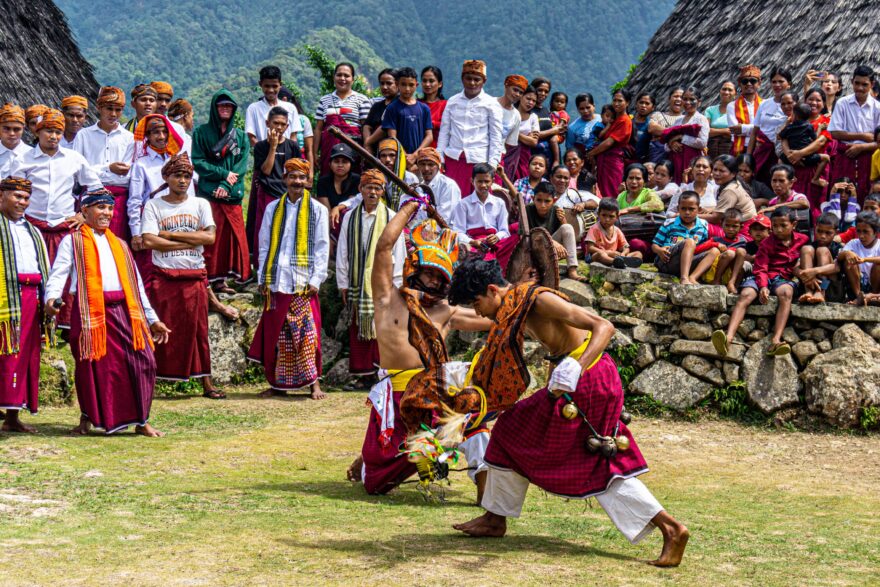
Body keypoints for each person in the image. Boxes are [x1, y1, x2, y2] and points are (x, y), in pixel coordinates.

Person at [447, 258, 689, 567]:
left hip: (590, 379)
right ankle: (495, 517)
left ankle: (671, 528)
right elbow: (556, 345)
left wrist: (576, 365)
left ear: (493, 290)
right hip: (573, 381)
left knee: (599, 463)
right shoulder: (513, 306)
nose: (477, 310)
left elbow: (604, 326)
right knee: (511, 430)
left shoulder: (537, 299)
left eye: (476, 302)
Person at [350, 201, 491, 496]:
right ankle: (368, 461)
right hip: (398, 401)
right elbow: (384, 248)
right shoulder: (387, 298)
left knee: (475, 423)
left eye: (441, 278)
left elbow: (491, 316)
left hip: (436, 397)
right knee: (375, 485)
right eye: (429, 273)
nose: (433, 281)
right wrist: (409, 209)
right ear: (416, 269)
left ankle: (486, 498)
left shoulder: (447, 311)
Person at [44, 188, 170, 436]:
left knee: (143, 361)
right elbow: (59, 274)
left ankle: (141, 420)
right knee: (90, 367)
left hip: (125, 311)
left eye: (110, 208)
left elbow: (135, 286)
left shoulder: (121, 244)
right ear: (85, 211)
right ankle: (87, 418)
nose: (106, 213)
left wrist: (152, 319)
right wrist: (51, 298)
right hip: (90, 313)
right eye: (101, 207)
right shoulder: (73, 240)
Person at [140, 153, 227, 399]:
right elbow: (148, 240)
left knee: (199, 331)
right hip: (164, 276)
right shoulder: (154, 205)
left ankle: (206, 383)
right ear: (166, 177)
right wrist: (190, 239)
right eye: (177, 175)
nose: (182, 180)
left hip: (193, 276)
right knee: (159, 328)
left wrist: (168, 236)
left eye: (187, 176)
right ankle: (151, 380)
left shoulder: (201, 204)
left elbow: (209, 238)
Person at [10, 109, 101, 329]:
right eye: (49, 131)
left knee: (66, 272)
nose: (53, 136)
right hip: (32, 226)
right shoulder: (23, 160)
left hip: (64, 225)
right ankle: (34, 319)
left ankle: (64, 323)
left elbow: (97, 188)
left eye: (58, 132)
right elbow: (13, 192)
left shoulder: (74, 159)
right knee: (33, 272)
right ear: (38, 132)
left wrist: (82, 214)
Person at [248, 158, 327, 400]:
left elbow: (322, 248)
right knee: (278, 337)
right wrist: (263, 276)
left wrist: (316, 279)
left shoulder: (318, 210)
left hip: (303, 283)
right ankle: (277, 385)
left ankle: (314, 384)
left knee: (307, 335)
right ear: (285, 180)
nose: (297, 182)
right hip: (276, 282)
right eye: (292, 177)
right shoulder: (273, 208)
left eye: (301, 178)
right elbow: (263, 244)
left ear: (308, 181)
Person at [336, 170, 405, 382]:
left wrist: (398, 284)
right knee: (360, 327)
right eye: (368, 187)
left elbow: (399, 252)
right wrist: (343, 282)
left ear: (383, 191)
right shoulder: (350, 216)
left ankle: (382, 373)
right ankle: (363, 374)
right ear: (361, 190)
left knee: (383, 328)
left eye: (377, 188)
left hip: (384, 283)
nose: (372, 192)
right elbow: (343, 251)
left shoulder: (392, 218)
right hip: (358, 283)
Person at [714, 207, 808, 356]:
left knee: (786, 292)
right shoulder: (766, 244)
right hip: (762, 276)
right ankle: (728, 337)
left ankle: (776, 341)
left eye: (783, 225)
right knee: (746, 294)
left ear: (794, 225)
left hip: (783, 278)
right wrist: (763, 286)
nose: (778, 229)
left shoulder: (803, 240)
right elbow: (761, 267)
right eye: (775, 226)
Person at [0, 177, 49, 433]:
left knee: (22, 355)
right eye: (17, 196)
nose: (22, 202)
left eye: (26, 198)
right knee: (4, 355)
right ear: (1, 196)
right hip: (4, 298)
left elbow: (44, 267)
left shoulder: (33, 230)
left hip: (31, 298)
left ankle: (12, 417)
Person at [192, 90, 251, 292]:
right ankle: (205, 278)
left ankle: (222, 280)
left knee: (230, 238)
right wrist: (222, 175)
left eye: (229, 106)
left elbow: (241, 166)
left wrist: (226, 185)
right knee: (210, 237)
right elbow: (198, 162)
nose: (225, 109)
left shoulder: (241, 137)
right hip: (209, 193)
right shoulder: (201, 133)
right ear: (214, 108)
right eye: (221, 105)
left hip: (231, 194)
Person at [128, 114, 187, 281]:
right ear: (147, 136)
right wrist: (136, 233)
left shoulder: (176, 160)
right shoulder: (141, 164)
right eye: (155, 133)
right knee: (151, 272)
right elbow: (135, 200)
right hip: (151, 223)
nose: (161, 137)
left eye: (164, 132)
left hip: (177, 220)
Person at [73, 86, 134, 241]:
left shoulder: (129, 138)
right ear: (99, 107)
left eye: (118, 110)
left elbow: (125, 177)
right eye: (109, 108)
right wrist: (108, 168)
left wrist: (93, 171)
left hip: (119, 201)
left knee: (116, 242)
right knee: (89, 242)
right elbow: (79, 173)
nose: (113, 114)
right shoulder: (83, 135)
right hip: (90, 197)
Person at [247, 106, 302, 269]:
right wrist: (273, 147)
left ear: (287, 126)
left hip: (288, 194)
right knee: (265, 233)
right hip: (267, 193)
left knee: (288, 232)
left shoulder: (292, 147)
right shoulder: (261, 146)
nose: (279, 127)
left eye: (283, 124)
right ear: (267, 123)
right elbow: (266, 170)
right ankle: (263, 268)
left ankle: (285, 267)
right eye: (275, 123)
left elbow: (297, 171)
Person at [436, 60, 504, 194]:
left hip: (480, 162)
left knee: (478, 204)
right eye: (468, 78)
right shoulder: (453, 101)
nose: (472, 83)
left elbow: (496, 137)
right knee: (453, 200)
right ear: (462, 79)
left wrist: (492, 165)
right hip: (454, 159)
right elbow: (444, 132)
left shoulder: (491, 104)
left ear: (484, 81)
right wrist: (440, 157)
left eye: (476, 79)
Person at [511, 179, 583, 280]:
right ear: (533, 198)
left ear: (554, 200)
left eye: (547, 201)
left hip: (550, 248)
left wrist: (563, 220)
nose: (543, 205)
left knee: (568, 227)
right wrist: (552, 242)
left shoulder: (556, 210)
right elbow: (525, 237)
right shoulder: (527, 210)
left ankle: (572, 270)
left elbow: (566, 233)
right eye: (539, 200)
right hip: (533, 247)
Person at [828, 65, 880, 203]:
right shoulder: (842, 103)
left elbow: (878, 141)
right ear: (852, 82)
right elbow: (834, 133)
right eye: (857, 83)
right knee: (841, 192)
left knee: (866, 193)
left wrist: (861, 147)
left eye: (865, 84)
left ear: (872, 84)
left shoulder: (878, 107)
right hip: (845, 154)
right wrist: (862, 136)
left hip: (869, 154)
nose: (860, 88)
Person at [314, 63, 372, 176]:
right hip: (329, 149)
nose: (342, 79)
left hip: (353, 147)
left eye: (346, 75)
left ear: (353, 79)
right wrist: (315, 153)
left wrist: (366, 149)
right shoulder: (325, 100)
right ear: (334, 77)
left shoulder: (362, 99)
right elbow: (318, 128)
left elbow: (366, 126)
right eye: (339, 75)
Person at [653, 191, 719, 284]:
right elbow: (654, 245)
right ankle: (684, 278)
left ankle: (693, 277)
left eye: (691, 209)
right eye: (683, 209)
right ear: (678, 209)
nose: (687, 212)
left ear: (699, 209)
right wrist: (659, 250)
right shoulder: (669, 223)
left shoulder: (703, 226)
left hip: (688, 263)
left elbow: (702, 247)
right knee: (690, 242)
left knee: (714, 251)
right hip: (668, 261)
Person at [451, 163, 513, 256]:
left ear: (492, 181)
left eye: (486, 181)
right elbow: (458, 232)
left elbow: (504, 230)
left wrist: (497, 237)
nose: (483, 185)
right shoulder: (463, 204)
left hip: (495, 243)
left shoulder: (499, 203)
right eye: (479, 181)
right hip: (472, 243)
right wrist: (472, 241)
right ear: (472, 181)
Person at [746, 67, 793, 179]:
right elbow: (755, 132)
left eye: (781, 81)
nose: (777, 85)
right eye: (774, 82)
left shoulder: (793, 106)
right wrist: (748, 157)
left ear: (789, 84)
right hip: (762, 151)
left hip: (782, 154)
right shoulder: (764, 104)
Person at [586, 89, 632, 201]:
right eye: (614, 100)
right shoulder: (615, 119)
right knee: (603, 189)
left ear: (627, 103)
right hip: (605, 160)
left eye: (620, 101)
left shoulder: (625, 121)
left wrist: (591, 153)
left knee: (612, 190)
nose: (616, 103)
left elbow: (609, 142)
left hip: (612, 160)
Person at [244, 65, 302, 148]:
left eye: (274, 86)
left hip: (286, 157)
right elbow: (251, 138)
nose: (271, 90)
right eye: (267, 86)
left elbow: (293, 136)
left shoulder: (291, 108)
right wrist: (264, 152)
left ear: (280, 84)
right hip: (264, 158)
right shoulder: (253, 109)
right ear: (260, 84)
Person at [382, 67, 433, 157]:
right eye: (403, 84)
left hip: (419, 158)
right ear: (397, 84)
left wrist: (415, 155)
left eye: (411, 85)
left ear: (416, 85)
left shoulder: (424, 108)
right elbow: (392, 137)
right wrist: (404, 156)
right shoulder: (392, 108)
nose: (407, 89)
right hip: (399, 157)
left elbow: (429, 136)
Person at [779, 103, 830, 188]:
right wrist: (820, 128)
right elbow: (815, 139)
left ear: (794, 115)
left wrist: (786, 124)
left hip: (791, 156)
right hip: (807, 156)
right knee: (826, 158)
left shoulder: (789, 128)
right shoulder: (809, 126)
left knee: (780, 160)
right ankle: (815, 179)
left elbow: (780, 136)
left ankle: (789, 176)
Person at [798, 212, 844, 304]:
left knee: (822, 250)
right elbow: (795, 267)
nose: (823, 236)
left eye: (828, 233)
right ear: (815, 228)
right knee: (806, 249)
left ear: (836, 232)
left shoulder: (838, 248)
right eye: (819, 231)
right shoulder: (810, 246)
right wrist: (809, 277)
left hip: (831, 290)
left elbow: (837, 268)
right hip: (810, 284)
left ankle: (820, 292)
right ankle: (809, 292)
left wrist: (814, 271)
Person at [406, 147, 461, 225]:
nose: (426, 168)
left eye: (431, 165)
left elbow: (445, 218)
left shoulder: (448, 185)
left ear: (438, 166)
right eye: (422, 164)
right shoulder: (418, 187)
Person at [665, 87, 709, 183]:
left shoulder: (701, 119)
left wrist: (681, 137)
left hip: (691, 161)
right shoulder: (678, 120)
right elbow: (666, 143)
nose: (687, 102)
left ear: (699, 102)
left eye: (692, 99)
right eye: (685, 99)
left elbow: (702, 143)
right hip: (675, 160)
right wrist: (671, 144)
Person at [586, 198, 643, 268]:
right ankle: (614, 262)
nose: (607, 219)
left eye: (611, 216)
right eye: (604, 215)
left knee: (638, 253)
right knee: (600, 255)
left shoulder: (617, 230)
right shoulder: (594, 228)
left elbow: (626, 247)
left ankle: (622, 262)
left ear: (617, 217)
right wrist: (608, 252)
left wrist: (623, 254)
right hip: (596, 256)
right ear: (598, 214)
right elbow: (590, 248)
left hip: (615, 256)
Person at [702, 155, 757, 227]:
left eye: (721, 171)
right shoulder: (734, 183)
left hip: (744, 229)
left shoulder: (730, 190)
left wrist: (692, 216)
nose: (716, 174)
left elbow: (716, 218)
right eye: (715, 170)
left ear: (733, 174)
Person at [839, 210, 880, 305]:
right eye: (858, 231)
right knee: (849, 260)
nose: (861, 236)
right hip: (856, 287)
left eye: (866, 232)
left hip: (875, 288)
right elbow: (839, 258)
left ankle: (873, 296)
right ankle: (859, 297)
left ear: (876, 232)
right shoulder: (853, 243)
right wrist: (846, 253)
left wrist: (865, 259)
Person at [724, 214, 772, 293]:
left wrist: (755, 258)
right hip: (751, 271)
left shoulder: (771, 245)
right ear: (749, 232)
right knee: (744, 264)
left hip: (767, 272)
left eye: (762, 229)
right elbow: (742, 257)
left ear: (769, 232)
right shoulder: (748, 245)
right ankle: (736, 286)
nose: (758, 232)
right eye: (755, 229)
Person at [503, 84, 539, 181]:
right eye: (528, 99)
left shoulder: (533, 117)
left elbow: (534, 142)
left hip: (523, 157)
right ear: (521, 96)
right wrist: (526, 137)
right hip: (506, 151)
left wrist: (514, 132)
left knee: (521, 179)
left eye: (534, 101)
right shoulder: (510, 113)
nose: (531, 103)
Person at [728, 65, 763, 157]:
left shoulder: (765, 104)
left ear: (759, 83)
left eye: (753, 81)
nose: (748, 84)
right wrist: (756, 128)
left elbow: (766, 129)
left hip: (760, 147)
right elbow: (734, 129)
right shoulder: (731, 106)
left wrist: (742, 128)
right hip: (739, 148)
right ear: (740, 83)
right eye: (745, 81)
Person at [497, 75, 528, 177]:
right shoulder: (490, 104)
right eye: (515, 90)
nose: (517, 94)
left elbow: (509, 143)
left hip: (498, 157)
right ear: (506, 85)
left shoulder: (516, 116)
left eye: (520, 92)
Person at [376, 138, 418, 210]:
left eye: (392, 155)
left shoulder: (410, 178)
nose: (387, 160)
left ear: (399, 157)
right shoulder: (375, 177)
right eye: (383, 156)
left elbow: (418, 203)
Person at [316, 143, 360, 210]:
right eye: (336, 161)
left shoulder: (357, 180)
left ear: (351, 164)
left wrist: (337, 209)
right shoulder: (323, 182)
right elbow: (325, 210)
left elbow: (351, 205)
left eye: (344, 162)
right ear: (330, 164)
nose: (340, 165)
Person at [363, 68, 398, 150]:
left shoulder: (400, 105)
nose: (385, 87)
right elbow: (367, 126)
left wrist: (368, 142)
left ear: (397, 84)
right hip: (376, 151)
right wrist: (367, 147)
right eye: (382, 83)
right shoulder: (376, 106)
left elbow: (385, 127)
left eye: (389, 83)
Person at [647, 87, 684, 163]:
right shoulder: (658, 115)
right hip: (657, 156)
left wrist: (663, 133)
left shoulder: (686, 119)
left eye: (682, 97)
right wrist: (673, 139)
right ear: (669, 99)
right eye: (675, 96)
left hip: (677, 156)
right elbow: (652, 128)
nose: (679, 99)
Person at [705, 81, 735, 159]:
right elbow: (705, 131)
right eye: (724, 89)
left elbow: (735, 133)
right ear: (720, 92)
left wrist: (714, 131)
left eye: (730, 90)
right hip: (711, 149)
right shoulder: (710, 110)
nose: (726, 92)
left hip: (730, 150)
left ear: (735, 94)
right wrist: (725, 131)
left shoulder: (738, 111)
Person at [0, 103, 31, 179]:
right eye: (6, 128)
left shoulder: (32, 154)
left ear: (23, 129)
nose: (11, 133)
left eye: (16, 129)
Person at [419, 66, 446, 149]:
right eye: (424, 81)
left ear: (440, 84)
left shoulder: (446, 105)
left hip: (437, 151)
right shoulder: (416, 104)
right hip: (415, 150)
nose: (427, 84)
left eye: (431, 81)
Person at [629, 92, 655, 164]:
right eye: (641, 102)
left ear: (653, 108)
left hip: (640, 163)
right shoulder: (628, 121)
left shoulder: (651, 126)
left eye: (647, 103)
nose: (643, 106)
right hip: (624, 160)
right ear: (636, 104)